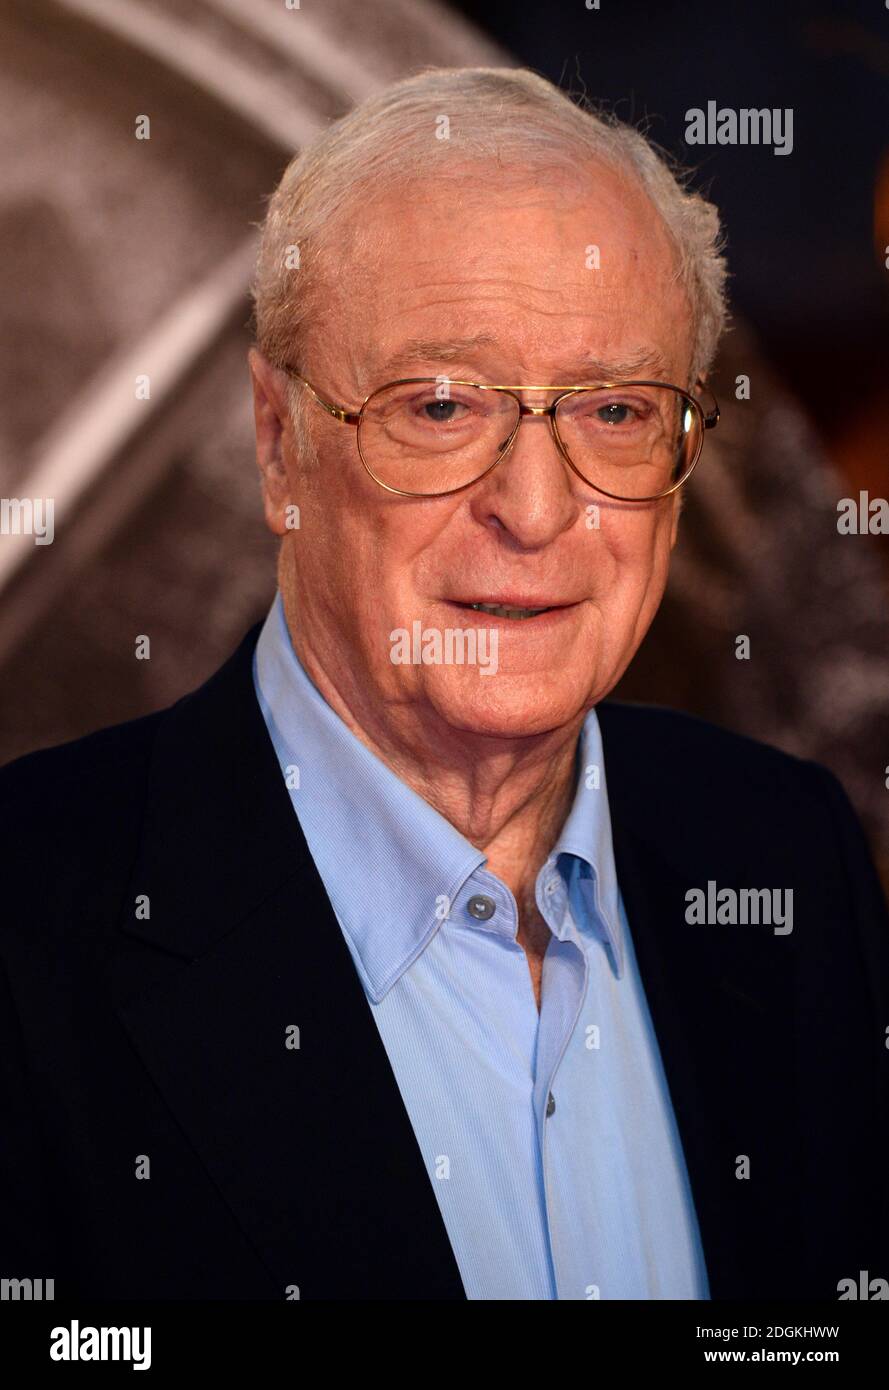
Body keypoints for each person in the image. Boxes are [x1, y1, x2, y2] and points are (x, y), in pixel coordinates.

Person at [2, 67, 887, 1302]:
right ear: (277, 441)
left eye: (617, 409)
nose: (534, 509)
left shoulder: (785, 849)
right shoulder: (28, 925)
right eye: (438, 405)